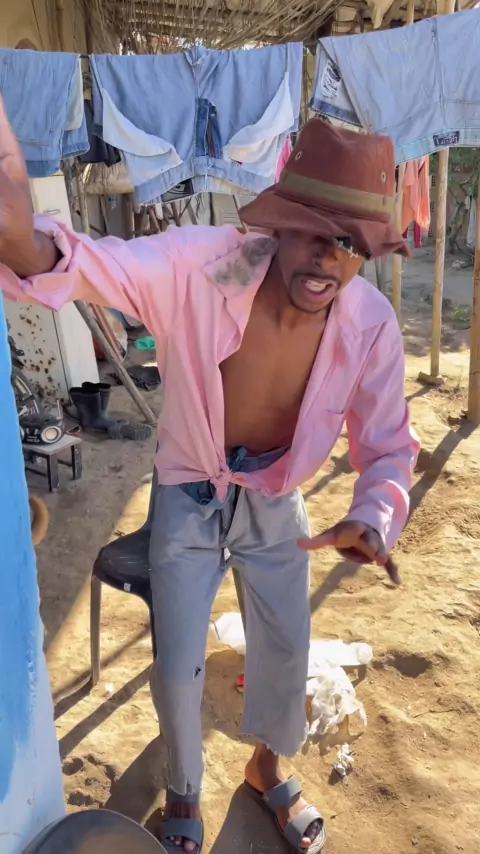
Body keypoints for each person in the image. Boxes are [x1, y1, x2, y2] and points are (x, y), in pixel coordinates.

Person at [0, 101, 419, 854]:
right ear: (279, 222)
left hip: (275, 501)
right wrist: (23, 241)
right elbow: (99, 265)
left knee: (286, 650)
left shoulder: (371, 325)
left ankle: (267, 768)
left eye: (350, 244)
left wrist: (373, 514)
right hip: (188, 491)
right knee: (177, 665)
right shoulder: (202, 267)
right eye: (313, 232)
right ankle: (184, 792)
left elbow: (389, 445)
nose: (328, 259)